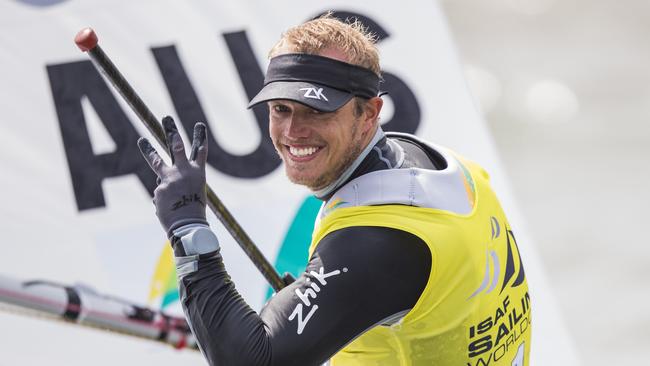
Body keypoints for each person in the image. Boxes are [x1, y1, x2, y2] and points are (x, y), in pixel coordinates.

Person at [137, 15, 532, 366]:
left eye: (318, 110)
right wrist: (327, 299)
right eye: (281, 109)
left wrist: (188, 232)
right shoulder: (444, 164)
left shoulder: (377, 242)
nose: (293, 132)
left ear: (370, 113)